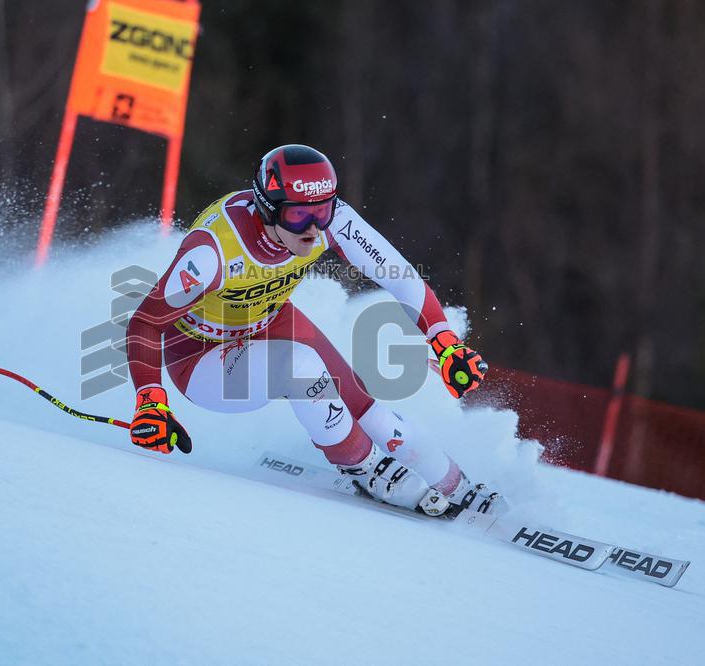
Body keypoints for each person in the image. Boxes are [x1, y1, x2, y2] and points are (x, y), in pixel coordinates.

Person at [125, 144, 501, 517]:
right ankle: (365, 466)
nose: (313, 228)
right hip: (200, 358)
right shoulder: (213, 252)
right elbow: (145, 323)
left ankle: (458, 487)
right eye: (299, 216)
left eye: (321, 211)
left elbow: (398, 274)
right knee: (301, 367)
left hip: (267, 320)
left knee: (369, 410)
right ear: (268, 210)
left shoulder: (332, 221)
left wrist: (444, 341)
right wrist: (151, 399)